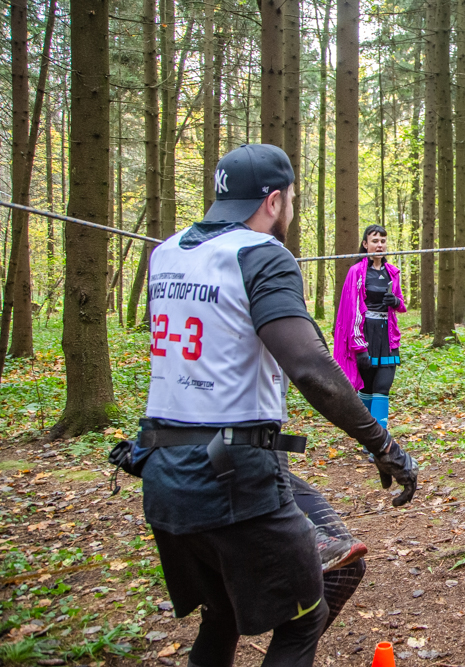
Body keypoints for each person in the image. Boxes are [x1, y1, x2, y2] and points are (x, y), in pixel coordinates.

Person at [126, 144, 417, 667]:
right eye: (291, 202)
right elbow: (309, 368)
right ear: (275, 200)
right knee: (306, 616)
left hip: (163, 468)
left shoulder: (166, 252)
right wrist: (385, 446)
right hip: (234, 476)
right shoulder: (261, 254)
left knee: (222, 614)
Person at [333, 224, 406, 430]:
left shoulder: (392, 272)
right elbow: (352, 309)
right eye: (375, 241)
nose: (379, 245)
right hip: (365, 336)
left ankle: (380, 440)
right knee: (367, 388)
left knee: (383, 387)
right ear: (365, 244)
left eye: (383, 241)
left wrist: (395, 302)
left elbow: (401, 304)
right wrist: (359, 347)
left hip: (388, 336)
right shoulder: (356, 272)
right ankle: (368, 437)